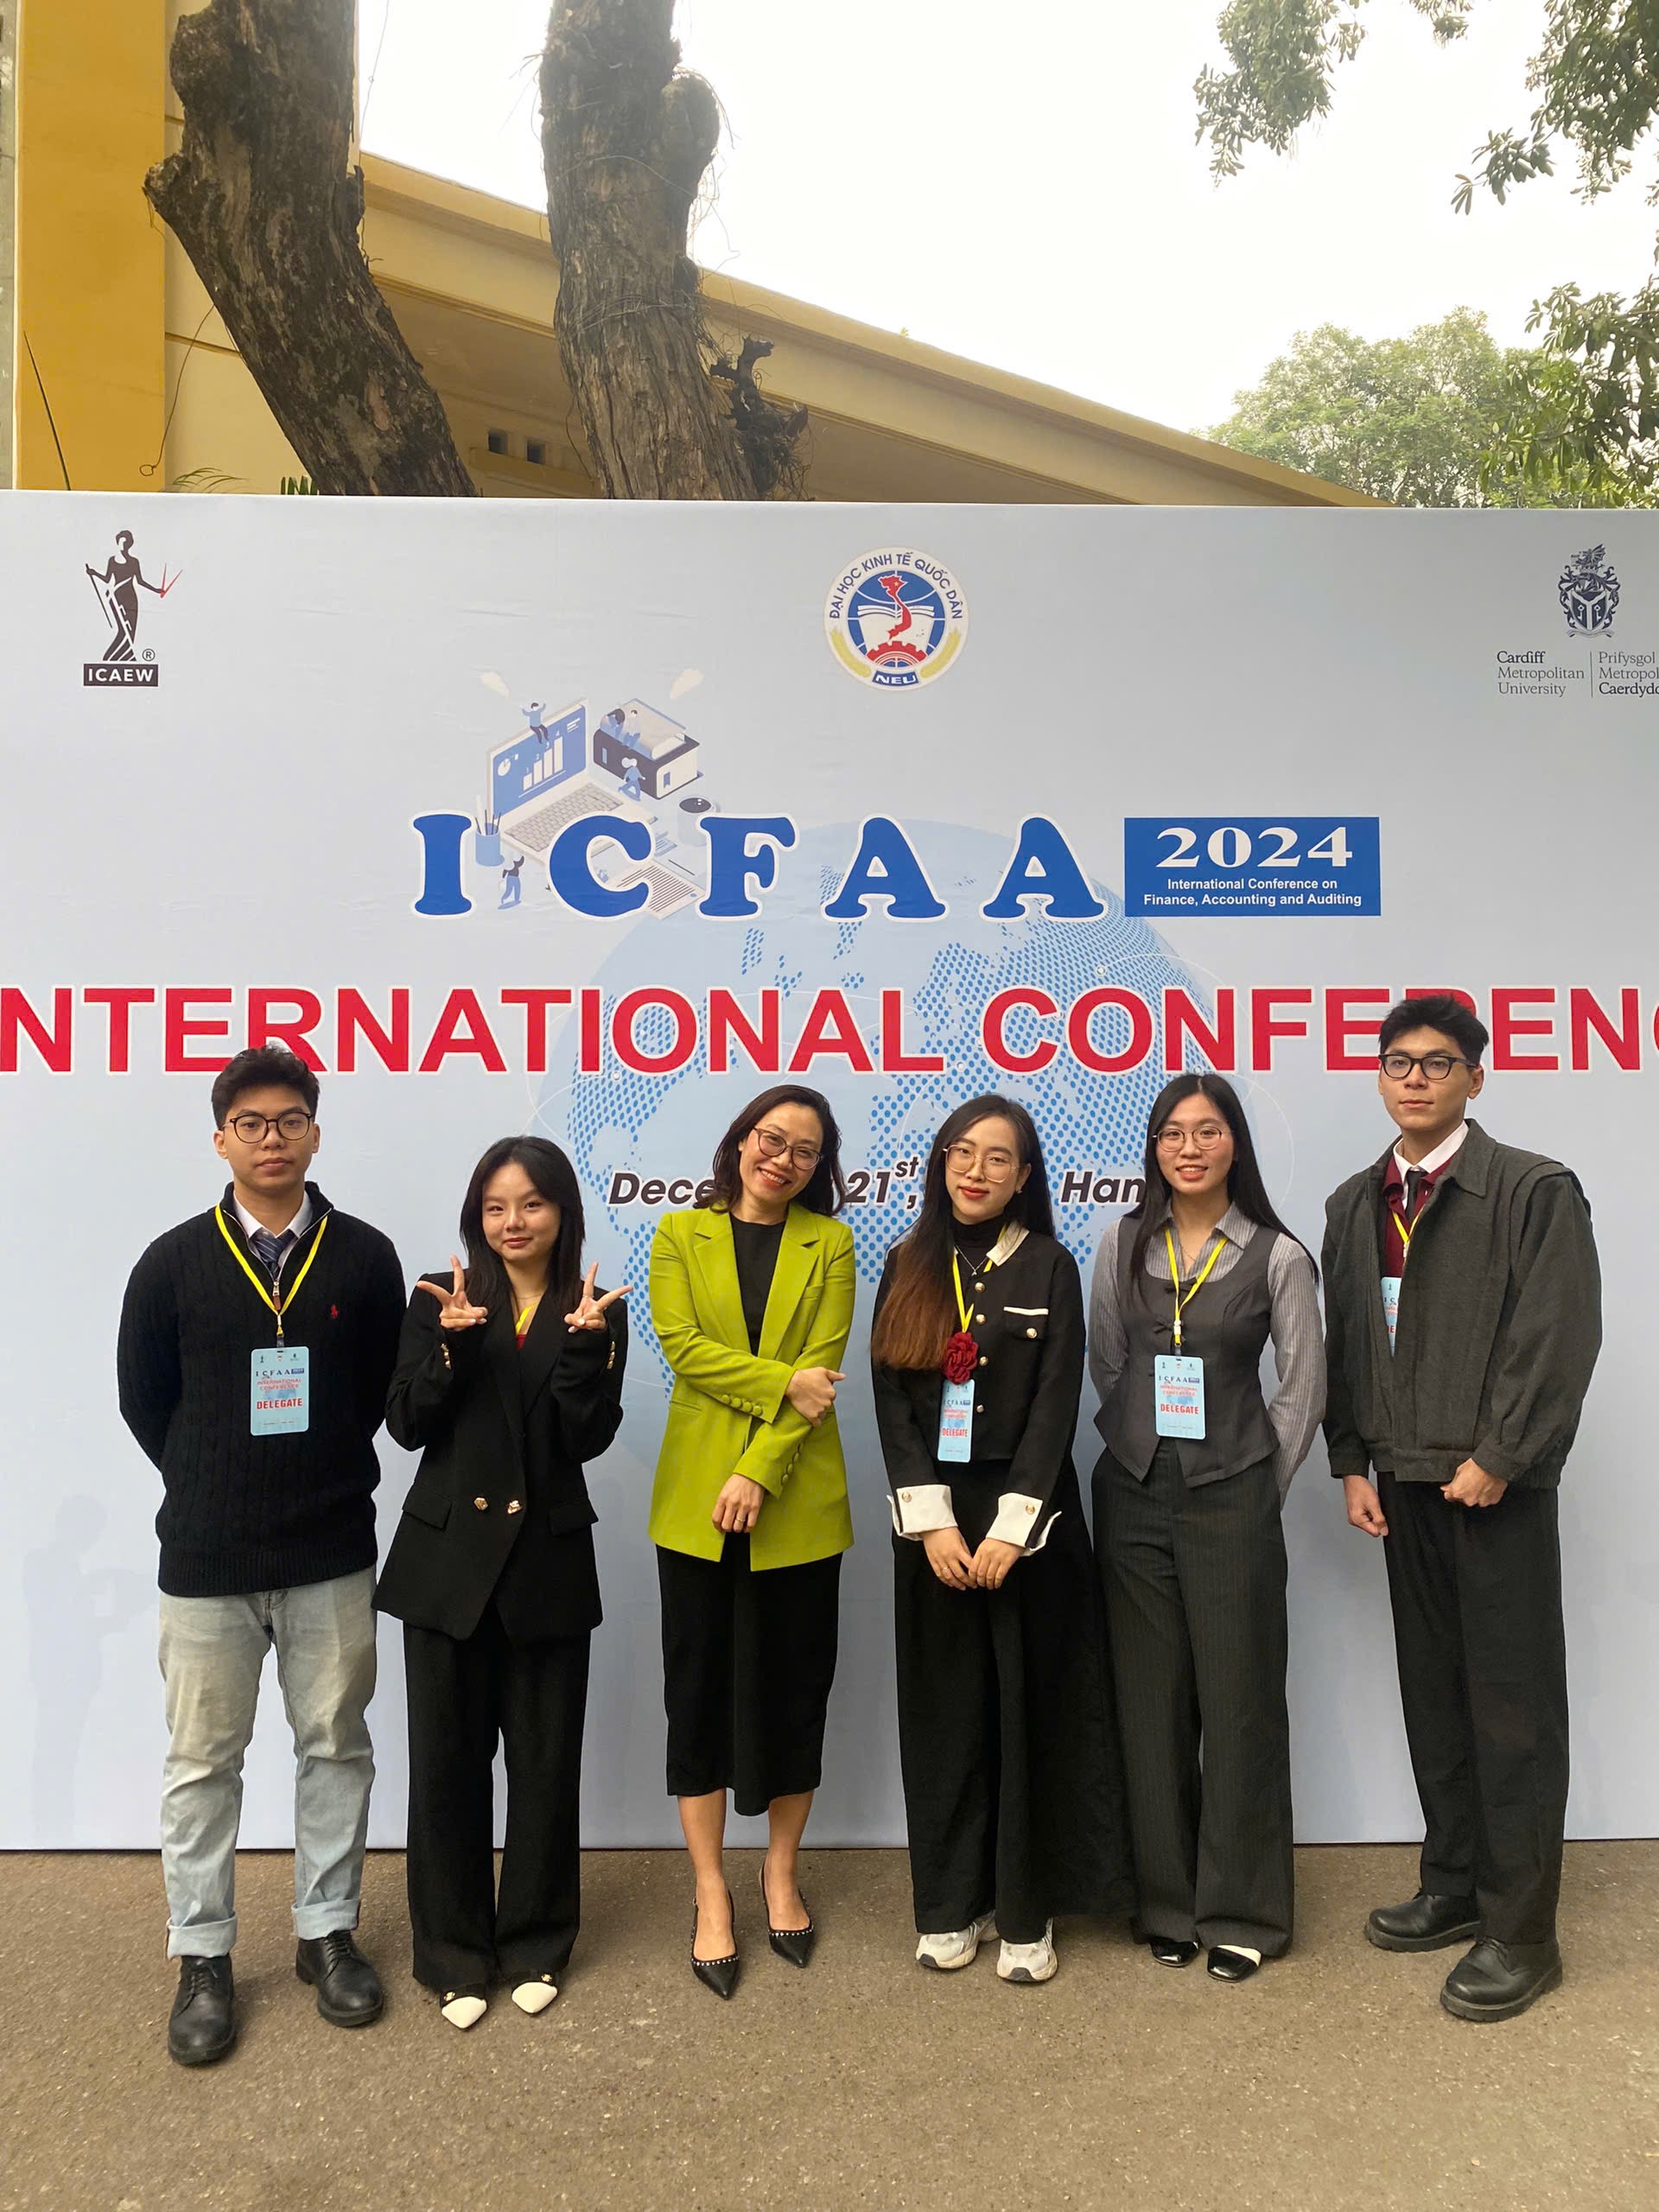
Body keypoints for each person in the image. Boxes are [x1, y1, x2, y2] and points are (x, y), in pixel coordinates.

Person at [116, 1046, 405, 2067]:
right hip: (207, 1557)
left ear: (315, 1132)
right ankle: (202, 1954)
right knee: (203, 1761)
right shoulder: (170, 1262)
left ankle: (326, 1932)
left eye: (289, 1120)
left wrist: (309, 1469)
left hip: (329, 1547)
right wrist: (212, 1482)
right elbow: (145, 1401)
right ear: (221, 1140)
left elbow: (377, 1391)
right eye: (251, 1123)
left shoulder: (365, 1257)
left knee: (335, 1745)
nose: (271, 1138)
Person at [1323, 995, 1601, 2023]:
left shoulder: (1531, 1188)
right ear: (1380, 1075)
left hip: (1494, 1488)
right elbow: (1349, 1335)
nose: (1416, 1078)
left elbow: (1559, 1333)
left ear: (1475, 1077)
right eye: (1398, 1061)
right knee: (1434, 1692)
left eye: (1438, 1062)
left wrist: (1502, 1454)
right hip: (1400, 1481)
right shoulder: (1355, 1201)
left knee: (1512, 1709)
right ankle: (1453, 1884)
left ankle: (1522, 1932)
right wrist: (1351, 1457)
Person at [871, 1094, 1130, 1986]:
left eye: (997, 1157)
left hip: (1030, 1524)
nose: (975, 1170)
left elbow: (1057, 1403)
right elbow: (893, 1407)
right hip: (936, 1526)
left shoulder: (1051, 1265)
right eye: (961, 1152)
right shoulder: (907, 1262)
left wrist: (1012, 1531)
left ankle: (1027, 1909)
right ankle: (952, 1904)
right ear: (941, 1163)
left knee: (1031, 1716)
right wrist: (933, 1524)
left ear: (1024, 1177)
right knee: (945, 1720)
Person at [378, 1138, 628, 2031]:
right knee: (445, 1769)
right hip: (446, 1567)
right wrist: (448, 1350)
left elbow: (587, 1439)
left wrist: (584, 1353)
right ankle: (451, 1954)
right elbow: (406, 1424)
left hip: (546, 1566)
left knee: (545, 1767)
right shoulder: (438, 1297)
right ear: (474, 1216)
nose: (512, 1222)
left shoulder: (593, 1309)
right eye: (494, 1206)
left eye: (531, 1204)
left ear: (562, 1211)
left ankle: (535, 1942)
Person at [1089, 1074, 1324, 1984]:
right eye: (1173, 1133)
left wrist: (1260, 1481)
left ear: (1236, 1144)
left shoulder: (1278, 1255)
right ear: (1154, 1148)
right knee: (1149, 1703)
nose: (1190, 1148)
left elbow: (1302, 1390)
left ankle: (1244, 1910)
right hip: (1133, 1493)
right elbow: (1110, 1362)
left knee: (1239, 1703)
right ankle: (1167, 1902)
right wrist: (1143, 1445)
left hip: (1233, 1495)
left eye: (1209, 1130)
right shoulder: (1122, 1242)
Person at [646, 1085, 855, 1999]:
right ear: (740, 1142)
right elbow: (683, 1347)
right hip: (695, 1505)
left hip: (796, 1504)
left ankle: (779, 1872)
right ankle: (708, 1889)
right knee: (695, 1695)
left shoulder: (831, 1242)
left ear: (819, 1167)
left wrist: (758, 1472)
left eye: (806, 1150)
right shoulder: (678, 1234)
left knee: (795, 1692)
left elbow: (825, 1372)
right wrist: (780, 1385)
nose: (784, 1158)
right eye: (772, 1139)